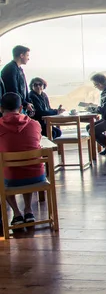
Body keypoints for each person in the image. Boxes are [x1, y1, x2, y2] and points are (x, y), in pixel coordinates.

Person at [0, 93, 46, 227]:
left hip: (11, 179)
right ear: (21, 108)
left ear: (1, 109)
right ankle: (28, 210)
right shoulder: (35, 124)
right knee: (27, 165)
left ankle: (17, 213)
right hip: (37, 177)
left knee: (6, 170)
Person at [1, 45, 34, 115]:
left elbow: (24, 89)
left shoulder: (19, 69)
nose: (28, 58)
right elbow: (13, 90)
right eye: (27, 55)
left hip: (20, 106)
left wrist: (28, 102)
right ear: (21, 55)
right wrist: (25, 103)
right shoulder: (11, 69)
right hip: (14, 108)